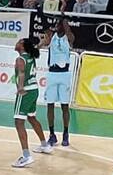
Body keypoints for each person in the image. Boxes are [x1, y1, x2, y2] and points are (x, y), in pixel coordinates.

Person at [11, 37, 46, 167]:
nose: (17, 42)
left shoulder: (20, 59)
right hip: (34, 90)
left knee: (19, 122)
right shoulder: (30, 55)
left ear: (23, 46)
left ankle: (26, 156)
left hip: (25, 91)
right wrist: (42, 43)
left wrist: (20, 88)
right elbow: (36, 49)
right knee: (31, 118)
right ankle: (45, 145)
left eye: (19, 41)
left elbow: (21, 73)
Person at [40, 19, 74, 148]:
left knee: (65, 106)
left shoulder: (69, 37)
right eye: (58, 25)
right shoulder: (51, 36)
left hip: (64, 74)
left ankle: (66, 133)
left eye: (61, 25)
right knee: (50, 105)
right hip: (52, 74)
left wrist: (65, 23)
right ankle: (52, 134)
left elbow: (69, 33)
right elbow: (45, 28)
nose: (58, 27)